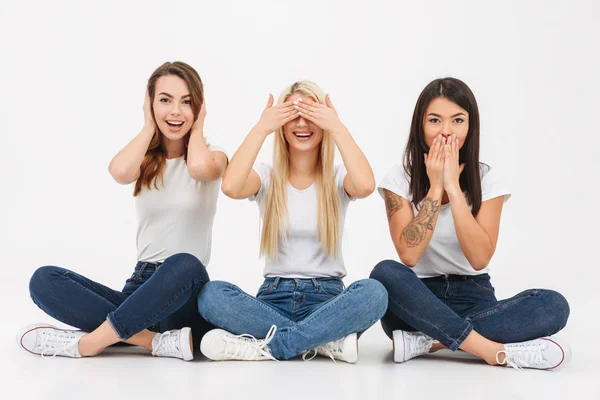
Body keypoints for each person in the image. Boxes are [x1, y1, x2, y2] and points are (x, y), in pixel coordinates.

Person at [17, 61, 228, 361]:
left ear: (199, 107)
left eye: (187, 102)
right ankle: (150, 341)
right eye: (165, 100)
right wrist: (147, 126)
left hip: (183, 290)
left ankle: (89, 344)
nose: (175, 111)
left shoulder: (214, 157)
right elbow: (118, 171)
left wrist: (199, 125)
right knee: (43, 280)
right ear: (150, 103)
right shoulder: (145, 160)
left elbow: (196, 167)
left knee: (186, 263)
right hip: (139, 288)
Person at [370, 77, 571, 370]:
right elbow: (409, 255)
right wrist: (435, 188)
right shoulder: (399, 179)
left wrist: (453, 186)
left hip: (474, 298)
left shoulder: (488, 180)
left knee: (554, 305)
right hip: (417, 301)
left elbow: (479, 259)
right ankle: (491, 350)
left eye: (457, 120)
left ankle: (431, 342)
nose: (446, 131)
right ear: (420, 126)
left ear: (470, 126)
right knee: (384, 273)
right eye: (435, 120)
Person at [197, 81, 388, 363]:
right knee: (211, 295)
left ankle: (274, 345)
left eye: (311, 115)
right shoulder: (266, 176)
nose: (302, 123)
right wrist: (262, 127)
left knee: (375, 293)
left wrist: (337, 127)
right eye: (293, 115)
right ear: (282, 126)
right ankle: (321, 342)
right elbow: (231, 186)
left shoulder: (336, 178)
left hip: (327, 301)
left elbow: (366, 184)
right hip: (273, 299)